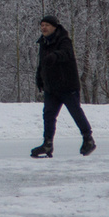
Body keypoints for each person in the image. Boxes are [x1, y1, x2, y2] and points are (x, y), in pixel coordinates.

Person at [32, 14, 95, 158]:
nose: (44, 28)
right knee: (48, 115)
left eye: (47, 25)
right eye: (42, 25)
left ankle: (88, 139)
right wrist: (39, 78)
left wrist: (55, 56)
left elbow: (66, 54)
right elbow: (42, 63)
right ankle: (47, 143)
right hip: (51, 88)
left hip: (67, 86)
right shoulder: (43, 42)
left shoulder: (63, 39)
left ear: (54, 27)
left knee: (75, 112)